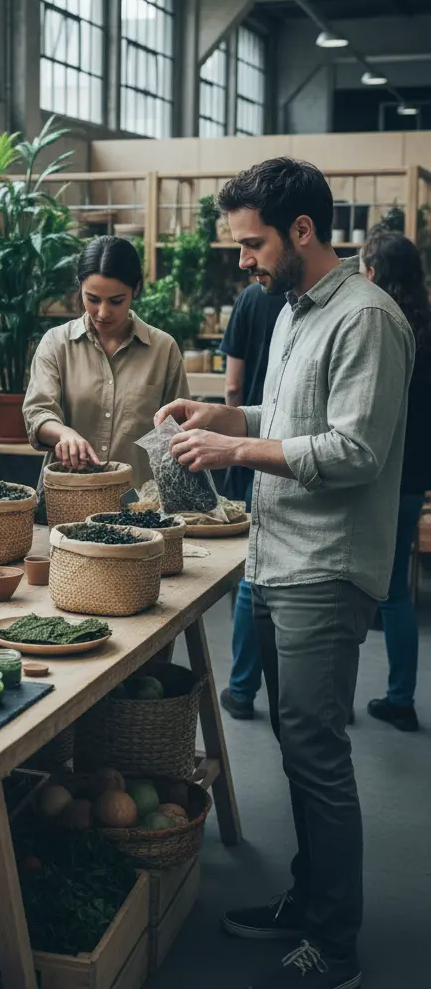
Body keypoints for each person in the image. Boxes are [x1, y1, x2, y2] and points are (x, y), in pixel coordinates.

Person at [156, 157, 413, 989]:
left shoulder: (367, 318)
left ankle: (336, 945)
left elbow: (354, 450)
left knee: (316, 755)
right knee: (299, 752)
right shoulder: (295, 307)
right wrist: (223, 414)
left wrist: (234, 449)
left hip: (325, 567)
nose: (244, 261)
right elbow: (291, 417)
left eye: (253, 243)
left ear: (302, 230)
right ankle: (306, 900)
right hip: (279, 558)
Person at [22, 235, 189, 487]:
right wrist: (64, 433)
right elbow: (37, 413)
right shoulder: (56, 343)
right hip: (67, 496)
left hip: (138, 506)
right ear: (79, 287)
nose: (103, 312)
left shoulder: (163, 350)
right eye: (92, 299)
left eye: (116, 301)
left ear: (137, 289)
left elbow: (177, 433)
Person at [360, 226, 431, 732]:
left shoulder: (376, 328)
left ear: (373, 273)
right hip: (413, 478)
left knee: (347, 588)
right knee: (396, 592)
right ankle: (401, 697)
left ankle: (336, 701)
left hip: (371, 473)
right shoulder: (427, 329)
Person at [218, 280, 286, 721]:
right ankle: (303, 692)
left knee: (252, 567)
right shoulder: (306, 301)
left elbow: (232, 386)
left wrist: (232, 444)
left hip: (250, 445)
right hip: (288, 448)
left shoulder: (250, 298)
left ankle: (242, 689)